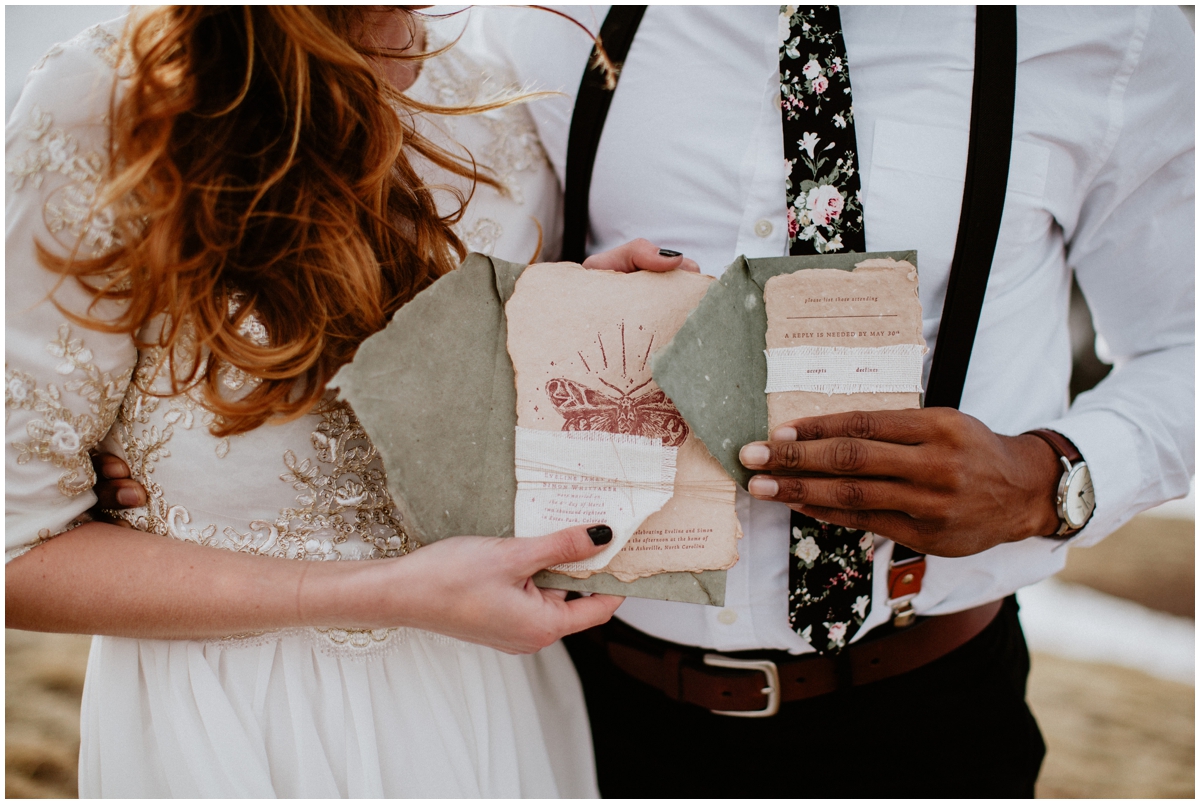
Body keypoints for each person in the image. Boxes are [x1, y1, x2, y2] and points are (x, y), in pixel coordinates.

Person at [436, 5, 1190, 797]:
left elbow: (1186, 341)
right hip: (587, 710)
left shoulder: (1106, 29)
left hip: (924, 721)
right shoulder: (559, 18)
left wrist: (1050, 480)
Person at [4, 7, 641, 797]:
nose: (416, 24)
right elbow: (17, 552)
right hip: (243, 724)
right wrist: (384, 594)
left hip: (491, 698)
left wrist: (575, 328)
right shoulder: (109, 103)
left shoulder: (495, 82)